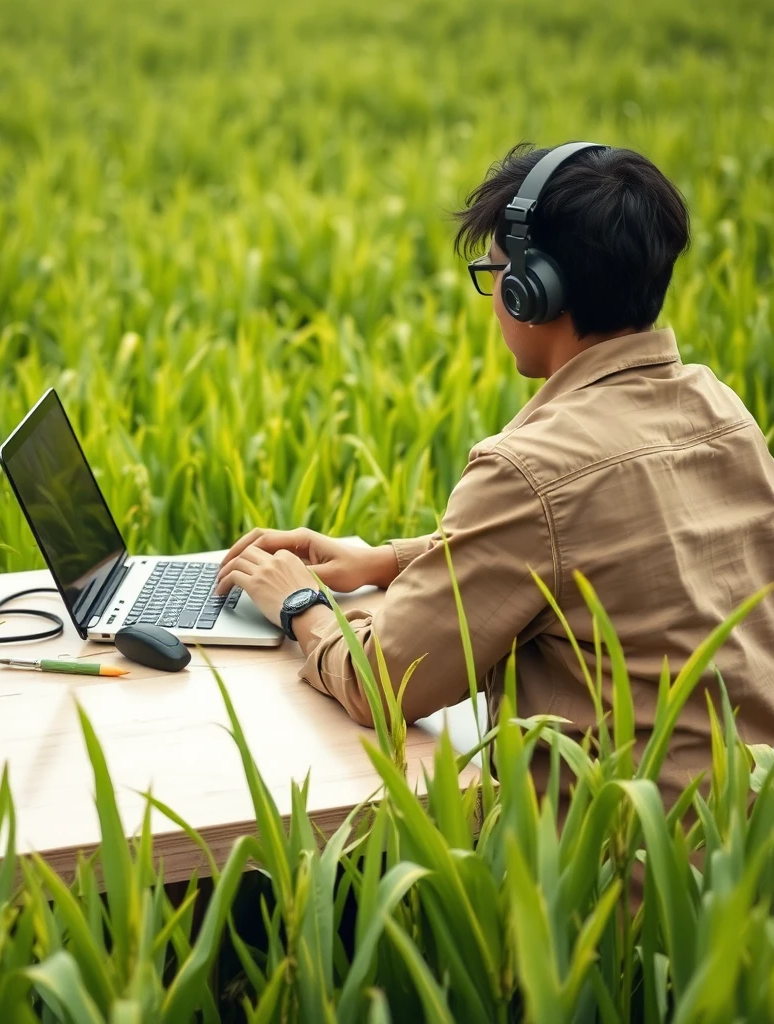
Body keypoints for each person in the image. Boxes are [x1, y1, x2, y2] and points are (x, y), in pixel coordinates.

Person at [214, 141, 774, 812]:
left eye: (496, 272)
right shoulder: (720, 411)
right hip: (742, 859)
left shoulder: (530, 469)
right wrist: (384, 561)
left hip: (618, 878)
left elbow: (384, 686)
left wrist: (301, 605)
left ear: (531, 291)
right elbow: (595, 534)